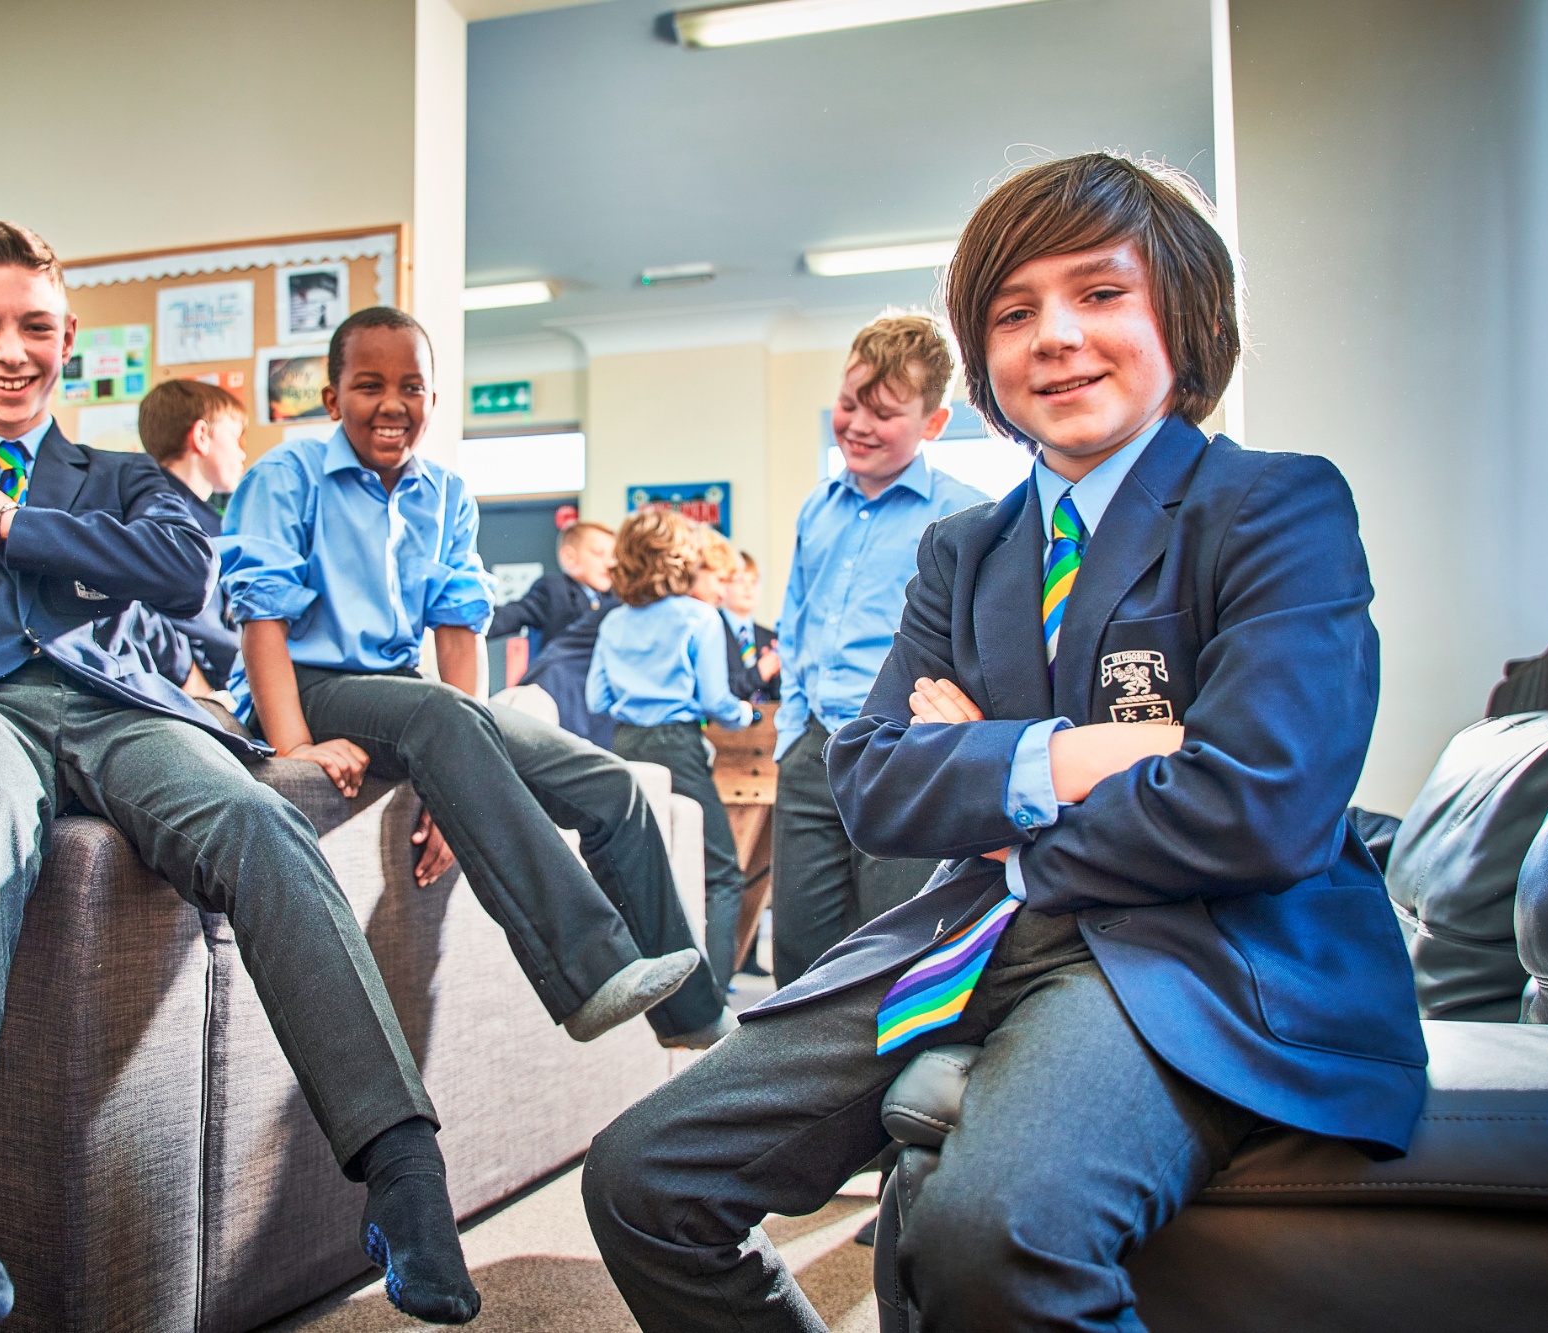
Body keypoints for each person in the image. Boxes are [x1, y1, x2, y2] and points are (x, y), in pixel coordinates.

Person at [583, 151, 1426, 1332]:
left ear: (1181, 317)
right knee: (640, 1180)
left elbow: (1260, 803)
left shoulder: (1273, 506)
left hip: (1202, 950)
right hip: (975, 929)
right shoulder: (966, 551)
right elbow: (870, 781)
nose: (1052, 338)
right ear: (981, 359)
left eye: (1098, 294)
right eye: (1013, 312)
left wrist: (993, 791)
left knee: (993, 1235)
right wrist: (1076, 755)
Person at [0, 223, 479, 1330]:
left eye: (34, 325)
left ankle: (404, 1176)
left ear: (68, 337)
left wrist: (11, 522)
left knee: (264, 827)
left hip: (125, 707)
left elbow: (184, 575)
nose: (10, 349)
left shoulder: (122, 477)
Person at [219, 305, 731, 1050]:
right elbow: (260, 616)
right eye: (368, 385)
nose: (392, 404)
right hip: (312, 683)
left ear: (432, 398)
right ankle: (589, 973)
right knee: (443, 716)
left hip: (404, 695)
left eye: (413, 387)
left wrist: (460, 778)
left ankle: (696, 1018)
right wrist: (292, 742)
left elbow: (459, 628)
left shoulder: (447, 494)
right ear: (332, 400)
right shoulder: (287, 476)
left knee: (610, 785)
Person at [768, 313, 989, 986]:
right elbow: (797, 621)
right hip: (812, 749)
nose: (858, 424)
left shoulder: (967, 516)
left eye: (884, 412)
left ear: (934, 423)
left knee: (889, 948)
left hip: (903, 752)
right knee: (799, 948)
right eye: (847, 404)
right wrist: (789, 731)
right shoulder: (818, 508)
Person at [587, 508, 755, 998]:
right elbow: (714, 702)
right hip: (678, 745)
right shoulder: (698, 615)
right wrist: (743, 715)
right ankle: (710, 998)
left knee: (650, 867)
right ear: (681, 558)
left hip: (626, 747)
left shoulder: (614, 621)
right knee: (722, 874)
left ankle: (653, 990)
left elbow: (597, 700)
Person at [134, 376, 248, 692]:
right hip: (195, 688)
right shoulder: (164, 515)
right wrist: (197, 684)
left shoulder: (206, 518)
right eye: (236, 438)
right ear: (201, 436)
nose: (242, 454)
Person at [489, 519, 620, 742]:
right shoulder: (553, 590)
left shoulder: (617, 600)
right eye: (598, 553)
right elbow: (514, 614)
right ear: (569, 557)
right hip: (562, 699)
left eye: (614, 556)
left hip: (600, 708)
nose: (609, 564)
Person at [718, 550, 780, 703]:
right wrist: (758, 674)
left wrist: (780, 670)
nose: (748, 587)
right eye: (739, 580)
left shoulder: (770, 637)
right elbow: (716, 692)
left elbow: (779, 696)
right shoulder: (713, 631)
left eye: (754, 581)